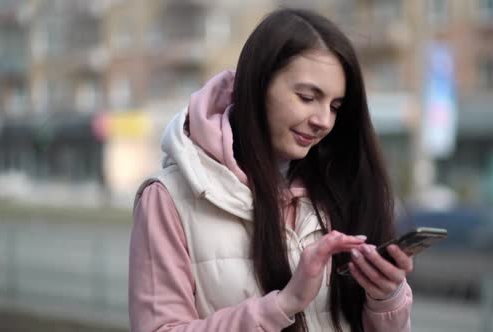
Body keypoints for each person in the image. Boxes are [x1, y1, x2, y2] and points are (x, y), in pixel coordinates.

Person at [129, 8, 413, 332]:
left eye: (335, 106)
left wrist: (387, 298)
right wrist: (282, 305)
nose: (323, 120)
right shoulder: (169, 198)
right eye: (307, 97)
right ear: (258, 85)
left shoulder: (342, 187)